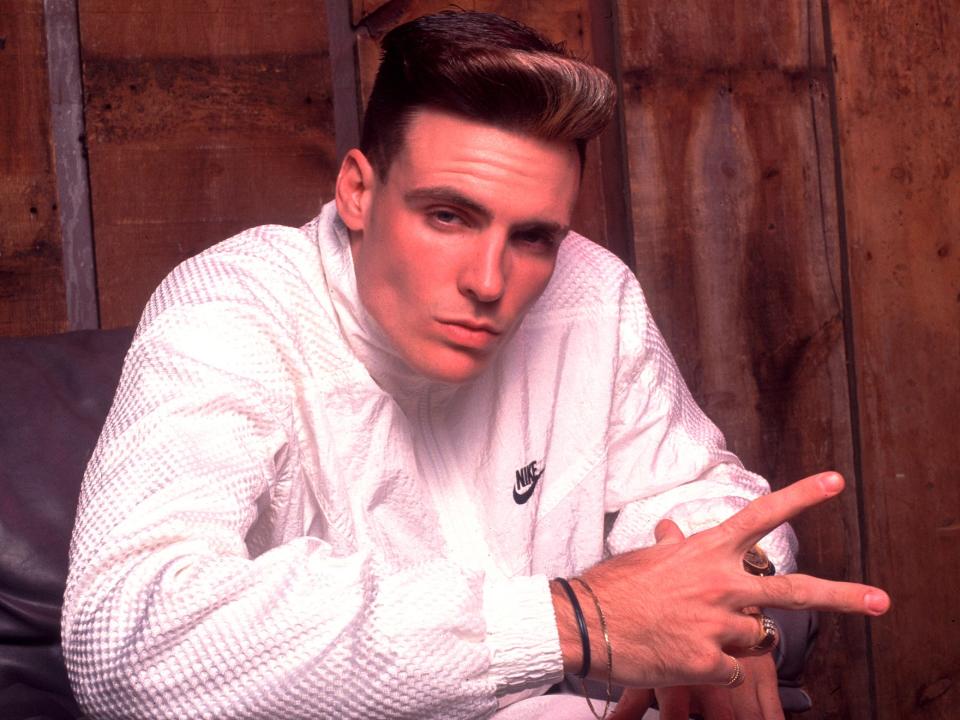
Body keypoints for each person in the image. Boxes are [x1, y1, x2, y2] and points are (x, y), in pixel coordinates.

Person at [62, 11, 889, 720]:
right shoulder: (233, 309)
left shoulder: (589, 291)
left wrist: (721, 601)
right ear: (357, 189)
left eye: (532, 236)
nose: (490, 282)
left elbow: (691, 489)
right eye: (448, 215)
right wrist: (576, 619)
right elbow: (127, 632)